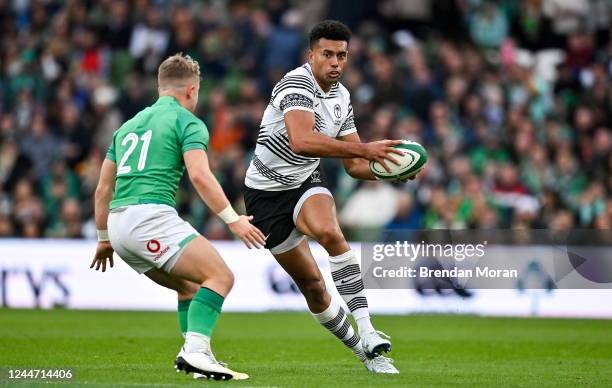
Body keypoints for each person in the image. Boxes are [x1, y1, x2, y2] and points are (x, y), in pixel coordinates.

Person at [244, 20, 409, 374]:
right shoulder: (295, 84)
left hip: (305, 181)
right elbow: (301, 140)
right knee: (313, 287)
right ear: (312, 55)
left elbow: (353, 165)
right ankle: (362, 351)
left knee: (331, 232)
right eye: (328, 54)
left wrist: (392, 170)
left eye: (342, 56)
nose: (335, 62)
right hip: (265, 195)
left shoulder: (342, 97)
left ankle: (368, 332)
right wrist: (368, 150)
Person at [90, 53, 265, 381]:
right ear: (192, 90)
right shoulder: (188, 121)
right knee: (221, 277)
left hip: (118, 224)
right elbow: (200, 176)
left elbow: (102, 190)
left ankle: (199, 362)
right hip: (149, 216)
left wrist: (103, 239)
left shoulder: (127, 126)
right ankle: (195, 351)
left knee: (188, 286)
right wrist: (233, 219)